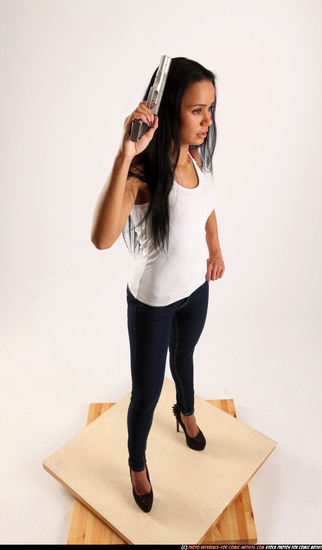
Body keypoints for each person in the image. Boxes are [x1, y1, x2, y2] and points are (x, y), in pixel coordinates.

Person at [91, 57, 225, 512]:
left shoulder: (194, 154)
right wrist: (124, 154)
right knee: (146, 392)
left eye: (210, 108)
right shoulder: (144, 173)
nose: (207, 120)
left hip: (195, 291)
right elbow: (102, 238)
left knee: (184, 357)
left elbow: (205, 205)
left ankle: (185, 413)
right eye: (196, 110)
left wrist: (217, 250)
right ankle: (136, 463)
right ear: (169, 111)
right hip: (152, 303)